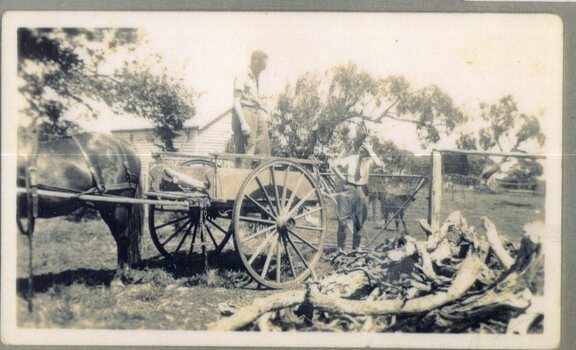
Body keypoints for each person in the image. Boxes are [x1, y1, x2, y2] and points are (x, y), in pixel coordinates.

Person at [330, 139, 384, 251]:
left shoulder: (370, 160)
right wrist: (342, 178)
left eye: (366, 147)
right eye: (362, 146)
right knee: (342, 221)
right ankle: (340, 249)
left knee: (359, 222)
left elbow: (380, 164)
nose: (363, 149)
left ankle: (356, 250)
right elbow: (334, 165)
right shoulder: (351, 158)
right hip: (348, 188)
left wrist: (370, 149)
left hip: (362, 191)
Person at [232, 50, 271, 168]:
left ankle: (262, 180)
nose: (263, 70)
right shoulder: (242, 75)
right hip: (246, 113)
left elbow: (253, 99)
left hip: (256, 113)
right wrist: (243, 123)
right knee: (247, 150)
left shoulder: (256, 78)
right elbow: (236, 101)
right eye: (262, 67)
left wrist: (265, 110)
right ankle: (241, 180)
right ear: (255, 62)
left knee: (264, 148)